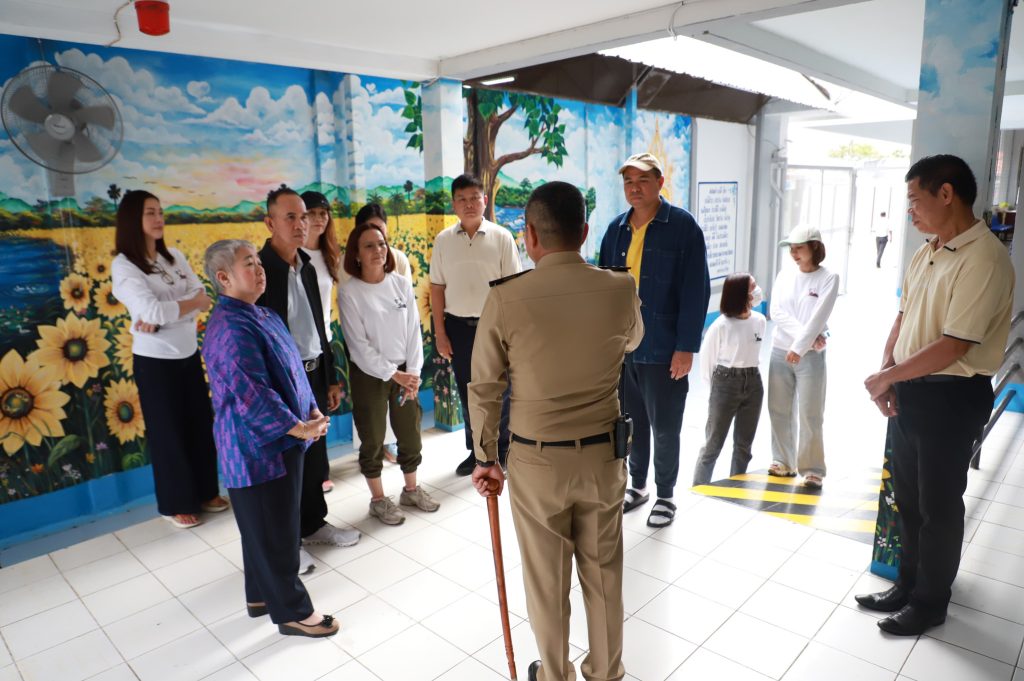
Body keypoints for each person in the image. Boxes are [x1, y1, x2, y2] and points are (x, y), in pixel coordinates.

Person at [470, 181, 643, 681]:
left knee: (547, 582)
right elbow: (633, 341)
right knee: (604, 574)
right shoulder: (620, 287)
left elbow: (484, 387)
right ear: (585, 232)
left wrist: (485, 458)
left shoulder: (506, 298)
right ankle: (606, 672)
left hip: (537, 462)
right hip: (603, 457)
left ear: (529, 235)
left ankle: (554, 674)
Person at [859, 154, 1013, 636]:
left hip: (951, 398)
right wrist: (887, 372)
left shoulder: (983, 258)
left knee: (939, 508)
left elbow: (954, 345)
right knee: (907, 499)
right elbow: (903, 317)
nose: (909, 211)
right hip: (912, 391)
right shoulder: (927, 251)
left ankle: (930, 603)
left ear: (946, 194)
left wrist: (889, 376)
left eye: (914, 199)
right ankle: (906, 585)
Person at [201, 239, 339, 639]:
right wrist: (299, 428)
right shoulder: (230, 327)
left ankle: (260, 596)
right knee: (276, 532)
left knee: (262, 528)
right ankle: (293, 612)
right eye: (248, 263)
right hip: (255, 449)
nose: (259, 269)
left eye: (258, 262)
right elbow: (252, 393)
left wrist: (310, 411)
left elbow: (293, 370)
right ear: (224, 278)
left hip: (281, 440)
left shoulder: (262, 314)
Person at [598, 152, 710, 528]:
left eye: (643, 180)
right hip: (624, 348)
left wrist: (686, 347)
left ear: (660, 183)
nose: (634, 188)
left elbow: (695, 290)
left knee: (665, 426)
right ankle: (639, 485)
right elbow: (603, 287)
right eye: (628, 181)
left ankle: (665, 495)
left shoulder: (682, 227)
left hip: (663, 347)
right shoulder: (616, 230)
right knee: (632, 421)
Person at [257, 185, 360, 572]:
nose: (301, 224)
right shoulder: (261, 270)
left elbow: (320, 326)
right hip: (282, 380)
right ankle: (287, 544)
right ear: (270, 223)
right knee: (287, 463)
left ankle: (314, 524)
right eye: (291, 217)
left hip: (314, 373)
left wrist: (331, 378)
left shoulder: (307, 264)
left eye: (304, 217)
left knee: (315, 458)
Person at [111, 190, 228, 529]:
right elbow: (152, 311)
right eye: (150, 213)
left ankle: (207, 492)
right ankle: (177, 503)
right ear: (133, 219)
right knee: (169, 434)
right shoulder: (124, 266)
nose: (159, 218)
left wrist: (166, 315)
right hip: (155, 362)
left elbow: (203, 296)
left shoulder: (173, 256)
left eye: (160, 212)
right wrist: (176, 310)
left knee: (199, 425)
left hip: (188, 353)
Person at [338, 221, 439, 525]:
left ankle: (411, 490)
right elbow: (358, 346)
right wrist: (394, 374)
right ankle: (378, 500)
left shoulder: (400, 284)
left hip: (406, 372)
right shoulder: (350, 291)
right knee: (372, 438)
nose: (378, 250)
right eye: (369, 245)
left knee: (410, 433)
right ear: (356, 254)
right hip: (370, 375)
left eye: (381, 244)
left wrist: (413, 373)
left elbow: (413, 332)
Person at [429, 174, 520, 475]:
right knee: (468, 392)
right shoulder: (443, 241)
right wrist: (440, 334)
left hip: (495, 327)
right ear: (454, 204)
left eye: (474, 198)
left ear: (485, 200)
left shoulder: (502, 237)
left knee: (500, 390)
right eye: (462, 199)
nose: (468, 204)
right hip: (457, 328)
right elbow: (437, 288)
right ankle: (477, 452)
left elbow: (512, 288)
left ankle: (502, 449)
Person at [767, 226, 838, 489]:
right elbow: (777, 311)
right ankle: (783, 461)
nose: (794, 253)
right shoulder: (784, 275)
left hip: (810, 356)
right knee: (779, 409)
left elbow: (819, 316)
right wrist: (804, 339)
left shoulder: (829, 278)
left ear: (814, 247)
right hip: (780, 351)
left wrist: (801, 346)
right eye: (791, 248)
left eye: (799, 247)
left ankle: (812, 469)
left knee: (811, 412)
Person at [351, 202, 414, 464]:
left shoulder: (398, 259)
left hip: (397, 348)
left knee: (405, 420)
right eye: (369, 238)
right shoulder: (350, 271)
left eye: (381, 233)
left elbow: (408, 310)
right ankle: (378, 451)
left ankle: (395, 449)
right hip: (368, 352)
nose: (377, 247)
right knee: (373, 420)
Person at [692, 273, 766, 486]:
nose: (757, 290)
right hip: (725, 383)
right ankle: (699, 487)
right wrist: (715, 391)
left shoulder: (760, 321)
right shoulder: (721, 326)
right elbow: (707, 362)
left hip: (753, 382)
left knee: (744, 446)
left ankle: (736, 488)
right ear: (740, 293)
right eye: (753, 287)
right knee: (713, 445)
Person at [299, 190, 342, 494]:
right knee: (301, 411)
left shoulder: (329, 256)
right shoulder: (294, 255)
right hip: (298, 346)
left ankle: (321, 471)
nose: (318, 219)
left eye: (323, 214)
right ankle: (304, 474)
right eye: (311, 214)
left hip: (323, 342)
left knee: (321, 407)